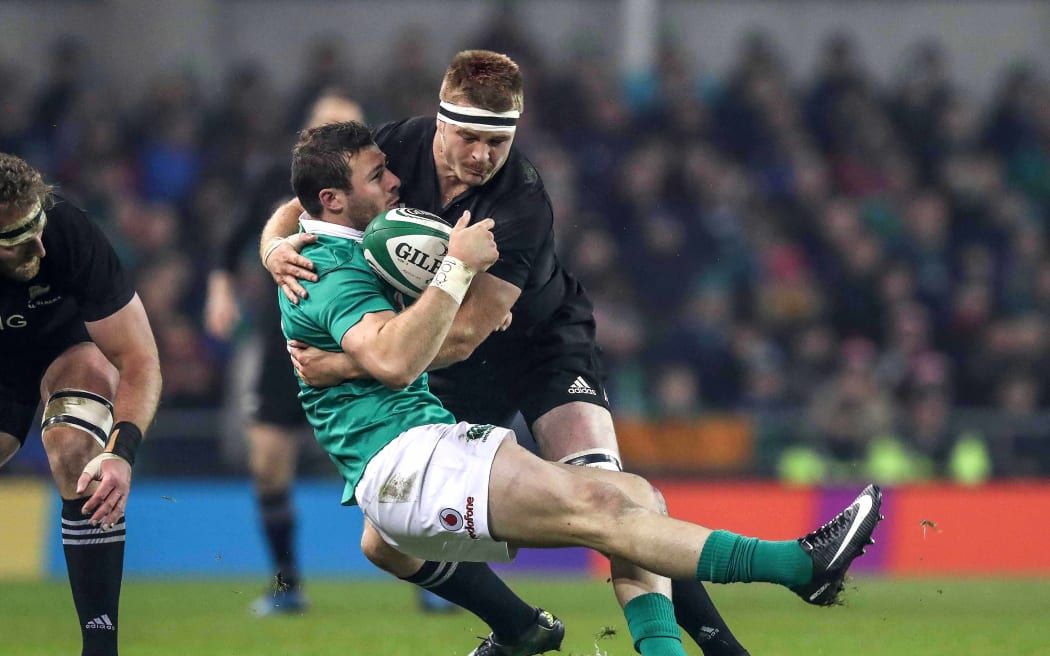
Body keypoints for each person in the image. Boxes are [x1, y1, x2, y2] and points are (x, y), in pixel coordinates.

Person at [277, 120, 883, 656]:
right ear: (332, 200)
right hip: (409, 463)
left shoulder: (365, 240)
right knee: (605, 512)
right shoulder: (325, 270)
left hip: (429, 446)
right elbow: (393, 356)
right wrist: (458, 269)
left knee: (631, 496)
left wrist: (292, 276)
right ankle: (799, 566)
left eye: (498, 135)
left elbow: (358, 318)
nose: (394, 183)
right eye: (377, 176)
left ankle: (526, 630)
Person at [261, 49, 756, 656]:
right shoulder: (396, 148)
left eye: (497, 141)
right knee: (384, 542)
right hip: (450, 354)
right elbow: (306, 203)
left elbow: (467, 331)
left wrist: (350, 361)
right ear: (439, 120)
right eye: (469, 136)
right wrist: (270, 250)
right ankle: (521, 629)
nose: (481, 155)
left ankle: (714, 648)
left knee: (607, 494)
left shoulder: (520, 197)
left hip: (542, 343)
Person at [204, 87, 369, 615]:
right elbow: (231, 241)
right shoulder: (276, 181)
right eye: (327, 127)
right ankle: (287, 585)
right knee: (268, 465)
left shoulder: (382, 188)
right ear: (307, 134)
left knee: (395, 467)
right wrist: (220, 290)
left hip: (363, 336)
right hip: (290, 337)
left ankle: (434, 584)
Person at [0, 153, 162, 656]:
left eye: (36, 222)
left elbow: (140, 361)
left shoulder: (70, 232)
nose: (39, 244)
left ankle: (100, 646)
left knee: (77, 447)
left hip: (66, 346)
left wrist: (121, 452)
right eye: (15, 236)